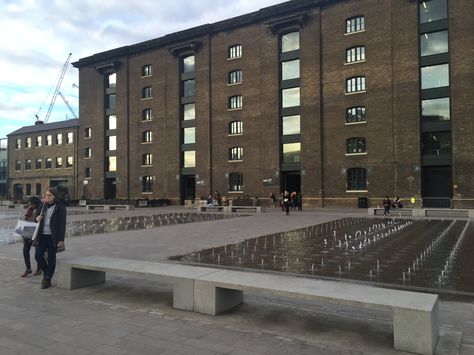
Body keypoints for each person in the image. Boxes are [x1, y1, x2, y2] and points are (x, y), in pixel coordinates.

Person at [35, 187, 67, 289]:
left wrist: (61, 239)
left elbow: (62, 224)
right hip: (42, 236)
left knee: (51, 258)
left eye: (49, 195)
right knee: (38, 256)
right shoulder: (43, 205)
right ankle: (47, 272)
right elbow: (35, 216)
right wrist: (37, 218)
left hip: (53, 237)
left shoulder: (60, 207)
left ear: (55, 197)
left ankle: (47, 279)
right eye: (45, 195)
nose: (47, 197)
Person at [21, 196, 42, 278]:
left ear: (36, 204)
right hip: (28, 233)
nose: (30, 206)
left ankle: (39, 268)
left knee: (38, 253)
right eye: (29, 204)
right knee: (25, 250)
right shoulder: (29, 210)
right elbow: (26, 220)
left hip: (36, 233)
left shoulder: (40, 210)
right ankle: (28, 269)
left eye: (31, 204)